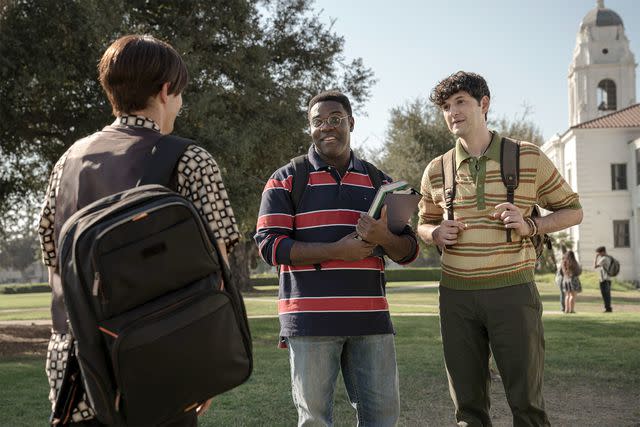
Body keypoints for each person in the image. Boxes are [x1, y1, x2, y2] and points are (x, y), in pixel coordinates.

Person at [37, 34, 240, 426]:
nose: (180, 105)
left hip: (78, 373)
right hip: (162, 365)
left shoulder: (67, 162)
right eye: (180, 94)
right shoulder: (190, 159)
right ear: (166, 91)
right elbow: (218, 271)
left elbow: (55, 266)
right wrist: (207, 366)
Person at [417, 71, 583, 426]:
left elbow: (573, 209)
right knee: (467, 410)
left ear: (484, 104)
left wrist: (531, 225)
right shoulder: (436, 169)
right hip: (456, 298)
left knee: (527, 405)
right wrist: (434, 233)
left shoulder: (528, 157)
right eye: (446, 106)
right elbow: (422, 222)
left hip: (513, 293)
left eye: (460, 102)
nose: (452, 112)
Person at [254, 90, 418, 426]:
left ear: (351, 123)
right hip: (310, 323)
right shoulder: (285, 179)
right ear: (310, 128)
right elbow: (270, 246)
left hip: (371, 323)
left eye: (336, 119)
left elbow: (409, 250)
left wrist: (383, 236)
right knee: (314, 420)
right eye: (318, 121)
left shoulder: (381, 182)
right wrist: (337, 250)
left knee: (383, 419)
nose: (327, 127)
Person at [594, 246, 613, 312]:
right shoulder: (609, 257)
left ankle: (608, 308)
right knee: (607, 294)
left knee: (605, 294)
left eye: (599, 253)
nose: (599, 254)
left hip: (604, 279)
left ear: (602, 252)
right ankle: (608, 308)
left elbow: (595, 266)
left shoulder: (604, 258)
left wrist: (596, 257)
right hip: (608, 278)